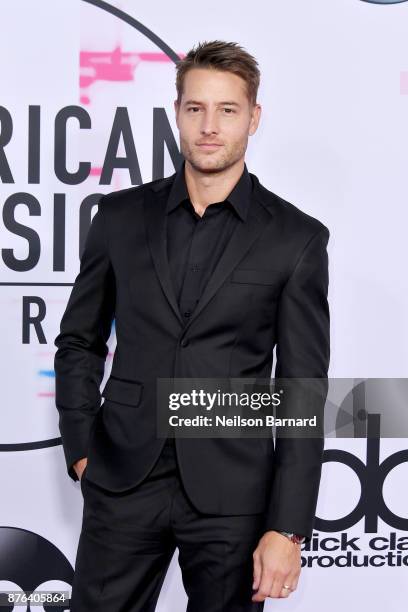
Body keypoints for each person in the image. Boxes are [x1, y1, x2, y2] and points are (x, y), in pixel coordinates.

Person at [54, 39, 330, 611]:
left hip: (235, 493)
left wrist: (287, 527)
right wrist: (83, 446)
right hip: (123, 478)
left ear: (253, 118)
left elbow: (301, 388)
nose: (210, 126)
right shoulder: (120, 217)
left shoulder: (296, 238)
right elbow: (79, 340)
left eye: (227, 110)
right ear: (176, 112)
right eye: (195, 108)